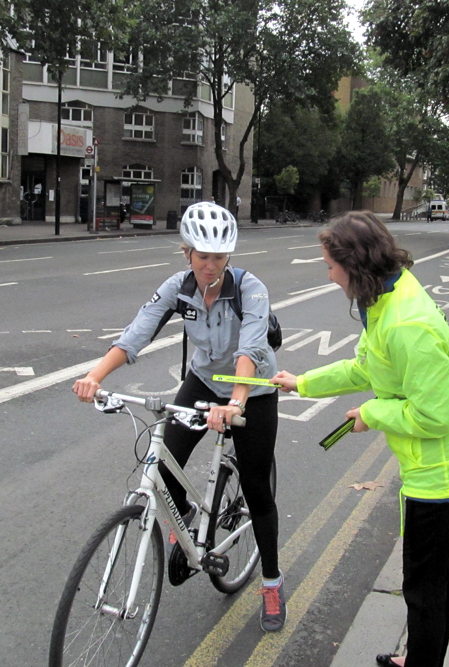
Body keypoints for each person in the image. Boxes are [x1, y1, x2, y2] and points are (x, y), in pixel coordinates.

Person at [271, 211, 449, 666]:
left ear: (353, 266)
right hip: (446, 465)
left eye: (330, 266)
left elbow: (433, 415)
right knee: (434, 581)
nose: (328, 274)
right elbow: (367, 367)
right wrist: (303, 383)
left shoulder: (405, 325)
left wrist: (372, 413)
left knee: (425, 588)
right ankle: (418, 657)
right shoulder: (387, 296)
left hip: (447, 474)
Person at [73, 201, 287, 632]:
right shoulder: (177, 286)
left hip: (253, 391)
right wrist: (93, 376)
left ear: (230, 255)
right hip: (205, 381)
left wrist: (238, 403)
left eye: (219, 257)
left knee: (257, 489)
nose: (210, 266)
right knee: (163, 467)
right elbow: (138, 332)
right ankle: (188, 513)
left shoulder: (252, 289)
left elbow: (251, 348)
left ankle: (270, 581)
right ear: (186, 251)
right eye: (202, 256)